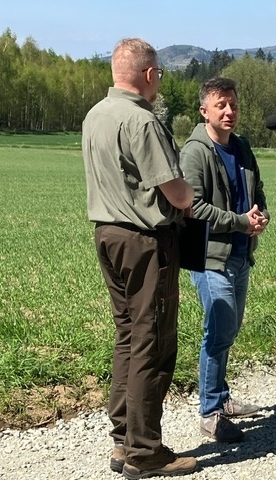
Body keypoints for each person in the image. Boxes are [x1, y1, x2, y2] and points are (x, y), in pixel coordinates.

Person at [82, 37, 198, 479]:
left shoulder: (95, 115)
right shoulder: (141, 121)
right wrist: (189, 196)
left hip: (107, 234)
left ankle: (122, 439)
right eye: (159, 75)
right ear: (149, 75)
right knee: (152, 340)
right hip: (145, 241)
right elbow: (175, 190)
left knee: (128, 336)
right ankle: (145, 451)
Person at [180, 77, 270, 443]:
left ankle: (222, 398)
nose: (230, 111)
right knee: (218, 332)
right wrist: (239, 222)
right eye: (221, 105)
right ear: (205, 111)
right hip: (209, 257)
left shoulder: (243, 147)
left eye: (233, 104)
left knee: (229, 330)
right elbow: (192, 207)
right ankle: (211, 413)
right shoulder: (195, 152)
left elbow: (257, 191)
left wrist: (261, 215)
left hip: (240, 253)